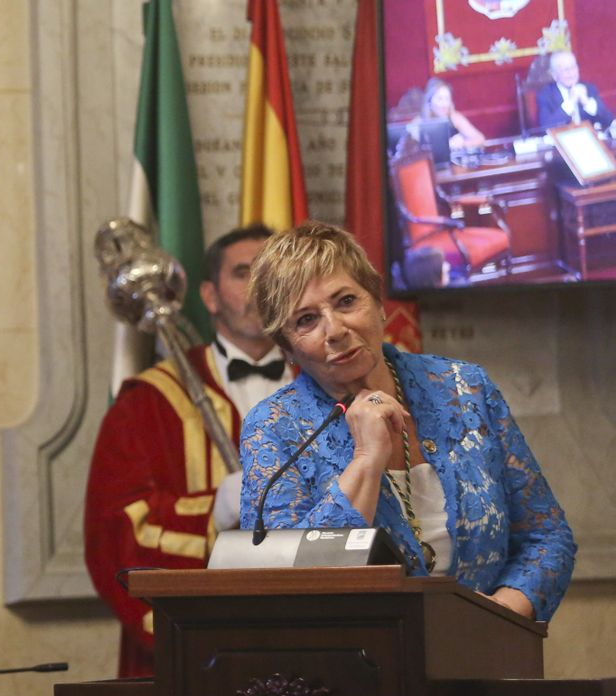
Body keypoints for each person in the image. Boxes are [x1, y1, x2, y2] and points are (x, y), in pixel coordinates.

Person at [238, 222, 575, 620]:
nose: (335, 330)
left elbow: (546, 537)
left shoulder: (465, 388)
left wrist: (496, 618)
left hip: (486, 658)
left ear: (379, 304)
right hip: (355, 665)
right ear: (288, 348)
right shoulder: (274, 426)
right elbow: (283, 580)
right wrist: (366, 459)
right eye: (306, 320)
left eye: (346, 301)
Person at [84, 224, 291, 677]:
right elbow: (111, 532)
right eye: (243, 273)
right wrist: (211, 512)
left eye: (272, 273)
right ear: (210, 296)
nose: (259, 287)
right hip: (197, 659)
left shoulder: (334, 386)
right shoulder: (147, 402)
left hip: (313, 642)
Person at [537, 50, 614, 129]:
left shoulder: (589, 88)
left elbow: (609, 121)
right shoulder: (546, 95)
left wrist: (587, 102)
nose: (571, 73)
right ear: (554, 75)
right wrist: (571, 102)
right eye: (566, 69)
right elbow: (545, 128)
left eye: (573, 67)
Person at [411, 78, 485, 151]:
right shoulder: (419, 122)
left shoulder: (455, 117)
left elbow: (480, 139)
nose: (444, 104)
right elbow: (410, 149)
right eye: (440, 99)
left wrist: (462, 144)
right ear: (429, 101)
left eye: (447, 99)